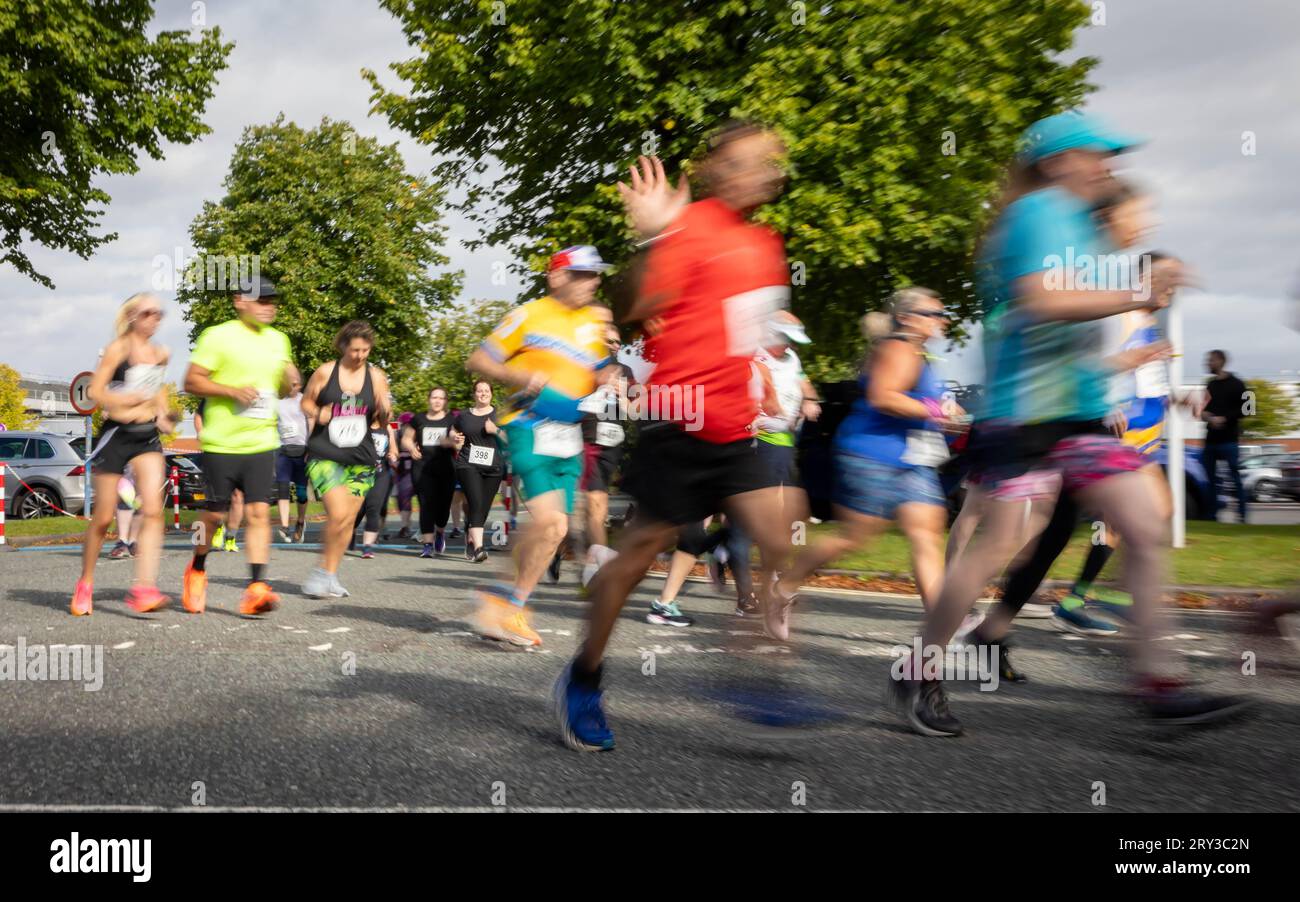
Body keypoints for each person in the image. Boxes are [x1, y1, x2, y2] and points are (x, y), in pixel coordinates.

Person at [890, 111, 1247, 737]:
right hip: (1022, 417)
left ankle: (1158, 684)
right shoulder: (1036, 213)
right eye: (1096, 154)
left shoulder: (1084, 228)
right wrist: (1137, 293)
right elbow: (1042, 299)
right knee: (996, 546)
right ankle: (918, 668)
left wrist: (1141, 291)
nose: (1107, 164)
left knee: (1142, 520)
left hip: (1078, 417)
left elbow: (1087, 313)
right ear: (1057, 161)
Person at [555, 121, 803, 752]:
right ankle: (583, 675)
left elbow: (747, 335)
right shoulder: (688, 225)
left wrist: (764, 384)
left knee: (782, 542)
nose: (763, 172)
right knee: (634, 561)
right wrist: (654, 236)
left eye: (769, 162)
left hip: (739, 427)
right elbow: (635, 301)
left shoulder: (768, 245)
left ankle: (755, 676)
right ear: (717, 169)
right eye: (748, 162)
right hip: (680, 423)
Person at [776, 288, 963, 615]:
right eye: (934, 314)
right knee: (855, 538)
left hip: (913, 461)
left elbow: (928, 404)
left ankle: (943, 623)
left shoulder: (920, 356)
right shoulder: (897, 349)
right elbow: (883, 397)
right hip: (873, 456)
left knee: (926, 537)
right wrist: (937, 410)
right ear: (906, 317)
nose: (942, 321)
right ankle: (785, 584)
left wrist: (951, 414)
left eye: (942, 314)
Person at [466, 247, 613, 646]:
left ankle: (508, 607)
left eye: (595, 275)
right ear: (557, 277)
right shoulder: (528, 315)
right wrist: (517, 372)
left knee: (557, 529)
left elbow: (598, 370)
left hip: (570, 435)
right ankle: (502, 604)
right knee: (549, 522)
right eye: (582, 274)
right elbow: (478, 360)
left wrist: (610, 378)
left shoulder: (593, 322)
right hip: (529, 426)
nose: (592, 281)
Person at [181, 276, 298, 616]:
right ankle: (197, 567)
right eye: (261, 300)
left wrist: (289, 381)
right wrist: (232, 391)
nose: (269, 306)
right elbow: (191, 381)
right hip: (222, 443)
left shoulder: (279, 341)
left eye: (272, 300)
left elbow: (279, 387)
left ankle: (256, 588)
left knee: (260, 511)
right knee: (214, 515)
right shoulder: (217, 336)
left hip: (262, 441)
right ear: (239, 301)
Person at [72, 292, 179, 615]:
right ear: (132, 315)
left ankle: (143, 588)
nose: (154, 319)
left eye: (159, 314)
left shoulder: (160, 353)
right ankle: (85, 582)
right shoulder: (118, 348)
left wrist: (163, 415)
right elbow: (96, 390)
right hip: (117, 436)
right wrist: (123, 402)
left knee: (153, 510)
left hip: (147, 438)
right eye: (148, 313)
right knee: (103, 517)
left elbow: (158, 389)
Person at [301, 321, 391, 597]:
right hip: (324, 452)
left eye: (365, 350)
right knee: (338, 514)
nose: (360, 355)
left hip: (361, 456)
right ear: (343, 346)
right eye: (355, 350)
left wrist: (385, 410)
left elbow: (381, 416)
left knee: (348, 520)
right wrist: (318, 413)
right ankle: (318, 574)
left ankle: (329, 575)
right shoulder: (326, 372)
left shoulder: (376, 377)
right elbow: (305, 402)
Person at [449, 380, 504, 563]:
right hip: (468, 464)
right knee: (476, 502)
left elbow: (512, 439)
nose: (483, 394)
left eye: (486, 391)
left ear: (491, 393)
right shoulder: (464, 415)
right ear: (474, 394)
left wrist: (495, 430)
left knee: (482, 508)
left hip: (493, 468)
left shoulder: (500, 414)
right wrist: (453, 437)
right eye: (479, 391)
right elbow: (452, 431)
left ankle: (470, 534)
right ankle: (480, 549)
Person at [403, 388, 459, 557]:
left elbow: (456, 441)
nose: (437, 401)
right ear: (429, 399)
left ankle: (440, 531)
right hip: (422, 468)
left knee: (443, 508)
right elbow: (406, 438)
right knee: (425, 504)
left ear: (445, 402)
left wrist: (449, 441)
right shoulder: (418, 419)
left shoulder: (451, 420)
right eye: (434, 397)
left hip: (446, 468)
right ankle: (427, 544)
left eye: (441, 398)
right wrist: (412, 448)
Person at [1199, 349, 1250, 524]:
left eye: (1211, 360)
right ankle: (1212, 516)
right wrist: (1207, 416)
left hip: (1229, 441)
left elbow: (1248, 409)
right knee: (1210, 481)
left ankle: (1242, 516)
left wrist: (1225, 418)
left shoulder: (1238, 384)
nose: (1208, 363)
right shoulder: (1210, 385)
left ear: (1220, 361)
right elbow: (1202, 410)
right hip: (1210, 441)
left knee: (1235, 479)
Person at [195, 398, 244, 552]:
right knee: (218, 498)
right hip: (216, 451)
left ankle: (231, 537)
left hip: (240, 450)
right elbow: (198, 415)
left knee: (237, 496)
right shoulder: (212, 396)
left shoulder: (244, 395)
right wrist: (201, 433)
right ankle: (218, 527)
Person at [353, 418, 399, 558]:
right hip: (359, 472)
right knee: (358, 509)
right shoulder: (359, 424)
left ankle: (367, 547)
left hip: (381, 473)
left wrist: (393, 456)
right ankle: (350, 533)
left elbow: (394, 450)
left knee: (374, 508)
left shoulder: (387, 427)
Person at [275, 374, 310, 543]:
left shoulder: (305, 401)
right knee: (282, 488)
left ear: (301, 385)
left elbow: (312, 423)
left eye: (296, 384)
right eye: (290, 384)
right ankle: (284, 525)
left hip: (303, 450)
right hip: (283, 451)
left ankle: (301, 522)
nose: (292, 387)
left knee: (301, 493)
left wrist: (311, 448)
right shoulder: (277, 403)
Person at [394, 412, 417, 539]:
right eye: (405, 425)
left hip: (417, 468)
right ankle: (405, 526)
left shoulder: (418, 436)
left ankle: (423, 528)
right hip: (402, 470)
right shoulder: (397, 435)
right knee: (403, 498)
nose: (406, 428)